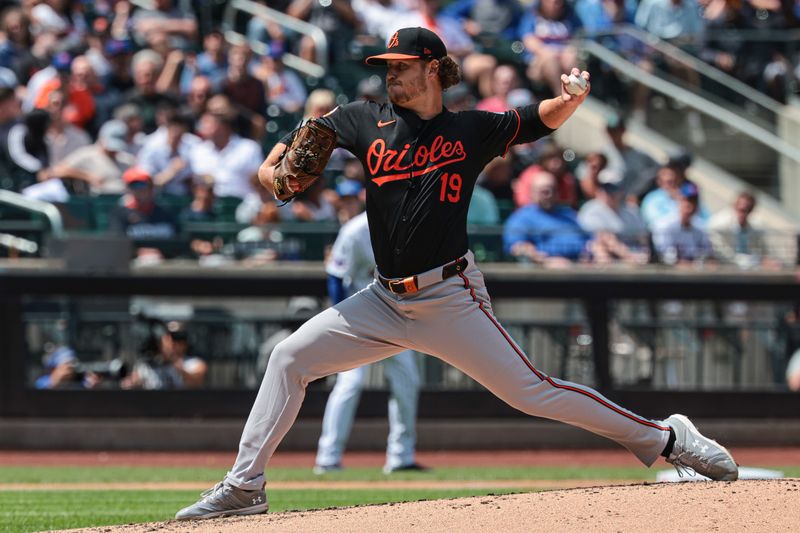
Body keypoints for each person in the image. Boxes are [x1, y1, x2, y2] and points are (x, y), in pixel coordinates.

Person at [175, 27, 737, 521]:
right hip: (382, 301)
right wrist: (274, 166)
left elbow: (533, 120)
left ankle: (667, 438)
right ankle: (245, 485)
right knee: (289, 358)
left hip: (450, 295)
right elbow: (301, 151)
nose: (391, 74)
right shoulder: (362, 119)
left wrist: (570, 99)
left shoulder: (469, 130)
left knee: (533, 392)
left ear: (433, 70)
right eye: (386, 67)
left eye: (402, 66)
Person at [314, 208, 424, 475]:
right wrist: (341, 321)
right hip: (358, 316)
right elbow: (336, 277)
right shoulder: (355, 230)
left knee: (408, 381)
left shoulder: (409, 223)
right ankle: (328, 457)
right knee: (351, 383)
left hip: (395, 316)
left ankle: (401, 457)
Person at [503, 170, 591, 267]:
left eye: (552, 190)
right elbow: (516, 247)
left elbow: (589, 239)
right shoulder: (521, 217)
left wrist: (597, 248)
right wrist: (544, 260)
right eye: (544, 191)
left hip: (582, 263)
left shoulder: (568, 214)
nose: (549, 194)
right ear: (532, 193)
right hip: (546, 271)